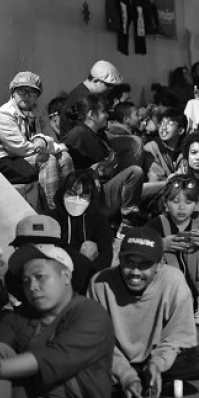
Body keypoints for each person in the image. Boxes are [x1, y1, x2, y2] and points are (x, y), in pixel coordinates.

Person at [0, 242, 115, 398]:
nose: (32, 286)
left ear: (66, 276)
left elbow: (55, 357)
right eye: (26, 281)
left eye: (40, 277)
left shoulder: (90, 313)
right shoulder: (22, 316)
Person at [88, 228, 199, 398]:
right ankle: (149, 384)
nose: (135, 272)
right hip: (114, 360)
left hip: (156, 357)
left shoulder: (174, 280)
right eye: (129, 262)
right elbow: (98, 341)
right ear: (119, 260)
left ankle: (146, 380)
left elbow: (179, 336)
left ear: (159, 265)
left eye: (144, 265)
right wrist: (125, 374)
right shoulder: (99, 283)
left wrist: (157, 364)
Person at [145, 175, 199, 326]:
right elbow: (138, 255)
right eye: (175, 202)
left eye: (188, 202)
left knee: (198, 249)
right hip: (167, 291)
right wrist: (161, 245)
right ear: (165, 203)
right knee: (156, 253)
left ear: (196, 205)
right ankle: (169, 306)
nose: (182, 207)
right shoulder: (155, 225)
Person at [0, 71, 74, 210]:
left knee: (65, 158)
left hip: (27, 157)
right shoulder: (4, 114)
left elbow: (51, 137)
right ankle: (51, 210)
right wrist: (51, 146)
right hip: (5, 160)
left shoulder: (38, 111)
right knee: (48, 160)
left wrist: (44, 141)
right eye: (22, 90)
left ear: (37, 95)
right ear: (13, 92)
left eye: (32, 92)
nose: (27, 95)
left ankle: (69, 205)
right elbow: (21, 148)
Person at [63, 95, 144, 235]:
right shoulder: (77, 135)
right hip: (94, 197)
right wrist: (91, 175)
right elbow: (69, 173)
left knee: (159, 188)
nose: (107, 115)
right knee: (135, 172)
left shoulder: (98, 134)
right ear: (93, 115)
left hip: (107, 189)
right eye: (104, 111)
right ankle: (126, 225)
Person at [47, 169, 114, 273]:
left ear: (91, 198)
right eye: (71, 194)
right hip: (57, 270)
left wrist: (87, 274)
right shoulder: (51, 217)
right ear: (63, 193)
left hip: (84, 272)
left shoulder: (98, 220)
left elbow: (106, 254)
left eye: (83, 196)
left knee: (89, 247)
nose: (76, 200)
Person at [59, 60, 123, 134]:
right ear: (95, 81)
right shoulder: (84, 97)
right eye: (108, 85)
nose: (110, 89)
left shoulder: (82, 90)